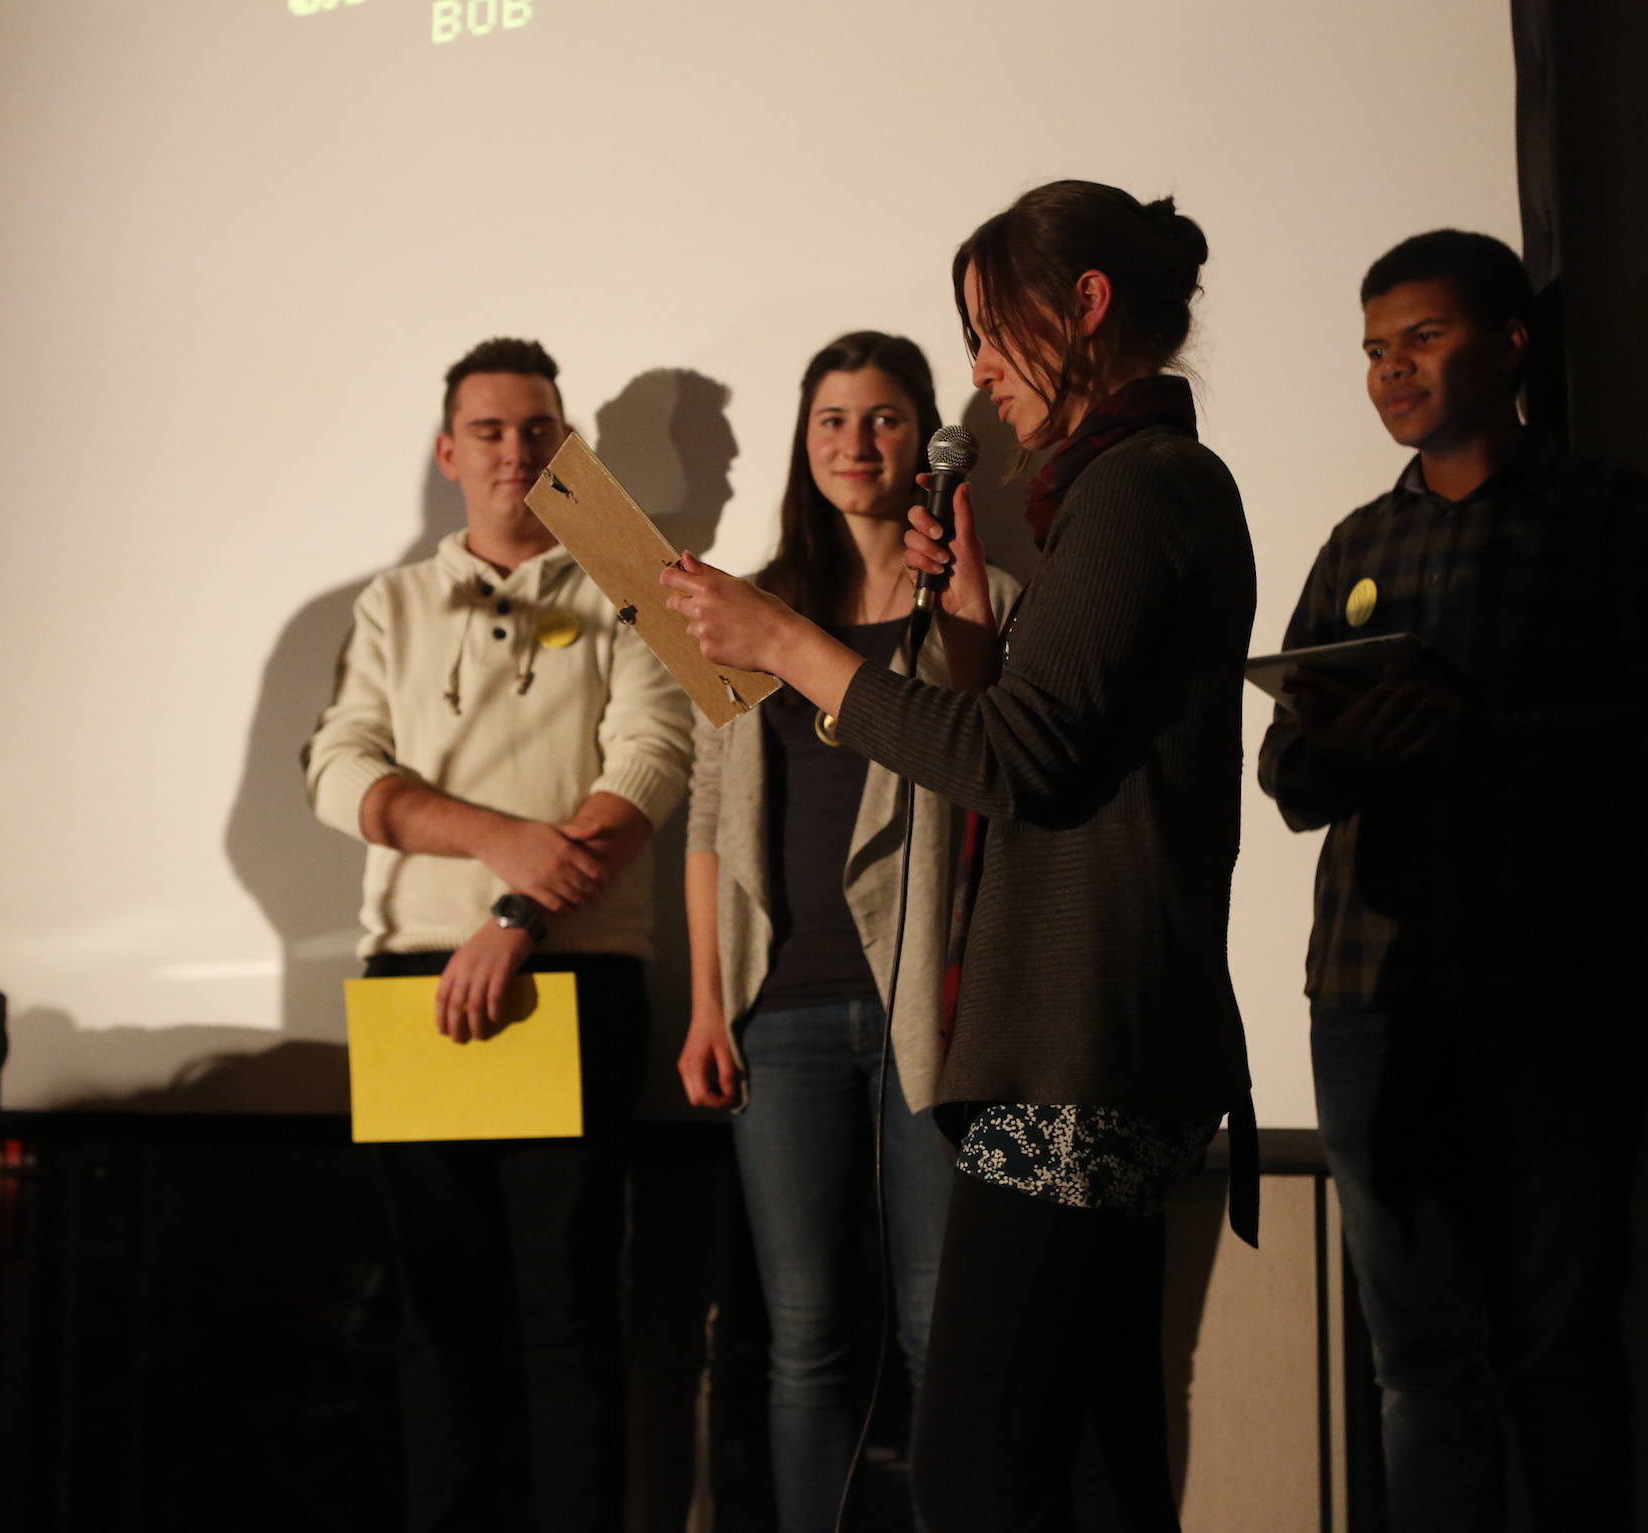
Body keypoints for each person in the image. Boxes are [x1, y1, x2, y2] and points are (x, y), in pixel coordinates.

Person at [661, 182, 1256, 1533]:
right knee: (1089, 1465)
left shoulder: (1138, 486)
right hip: (1080, 1041)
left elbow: (1020, 760)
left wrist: (789, 645)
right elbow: (1041, 745)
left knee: (978, 1472)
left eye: (991, 330)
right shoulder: (1119, 488)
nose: (979, 367)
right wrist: (975, 611)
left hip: (1075, 1051)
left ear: (1085, 307)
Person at [1258, 230, 1648, 1532]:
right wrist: (1345, 749)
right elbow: (1287, 774)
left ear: (1512, 344)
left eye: (1422, 338)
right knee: (1417, 1366)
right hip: (1373, 997)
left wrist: (1483, 738)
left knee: (1557, 1356)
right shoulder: (1359, 542)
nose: (1391, 370)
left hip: (1554, 991)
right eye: (1373, 349)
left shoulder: (1603, 516)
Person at [303, 337, 693, 1533]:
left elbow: (653, 758)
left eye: (537, 430)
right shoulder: (390, 602)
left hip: (573, 971)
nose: (514, 451)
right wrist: (493, 841)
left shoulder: (632, 584)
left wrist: (520, 910)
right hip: (413, 982)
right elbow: (336, 769)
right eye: (488, 431)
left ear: (566, 447)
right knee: (438, 1320)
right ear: (447, 452)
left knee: (567, 1313)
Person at [676, 331, 1020, 1533]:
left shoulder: (975, 603)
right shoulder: (745, 611)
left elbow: (1000, 775)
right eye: (830, 419)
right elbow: (709, 818)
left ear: (923, 439)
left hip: (928, 1006)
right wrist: (707, 1002)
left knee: (937, 1328)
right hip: (782, 1010)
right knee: (806, 1338)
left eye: (882, 418)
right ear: (802, 440)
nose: (854, 442)